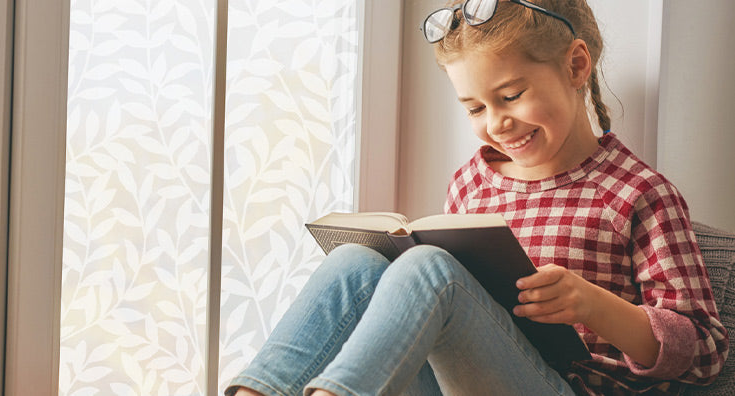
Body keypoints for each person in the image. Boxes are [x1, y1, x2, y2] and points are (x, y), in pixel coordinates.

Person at [225, 0, 729, 395]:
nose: (496, 122)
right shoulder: (470, 183)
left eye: (510, 95)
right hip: (454, 380)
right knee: (356, 262)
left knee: (430, 268)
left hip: (562, 388)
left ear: (576, 66)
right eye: (474, 107)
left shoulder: (639, 193)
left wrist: (593, 306)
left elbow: (705, 354)